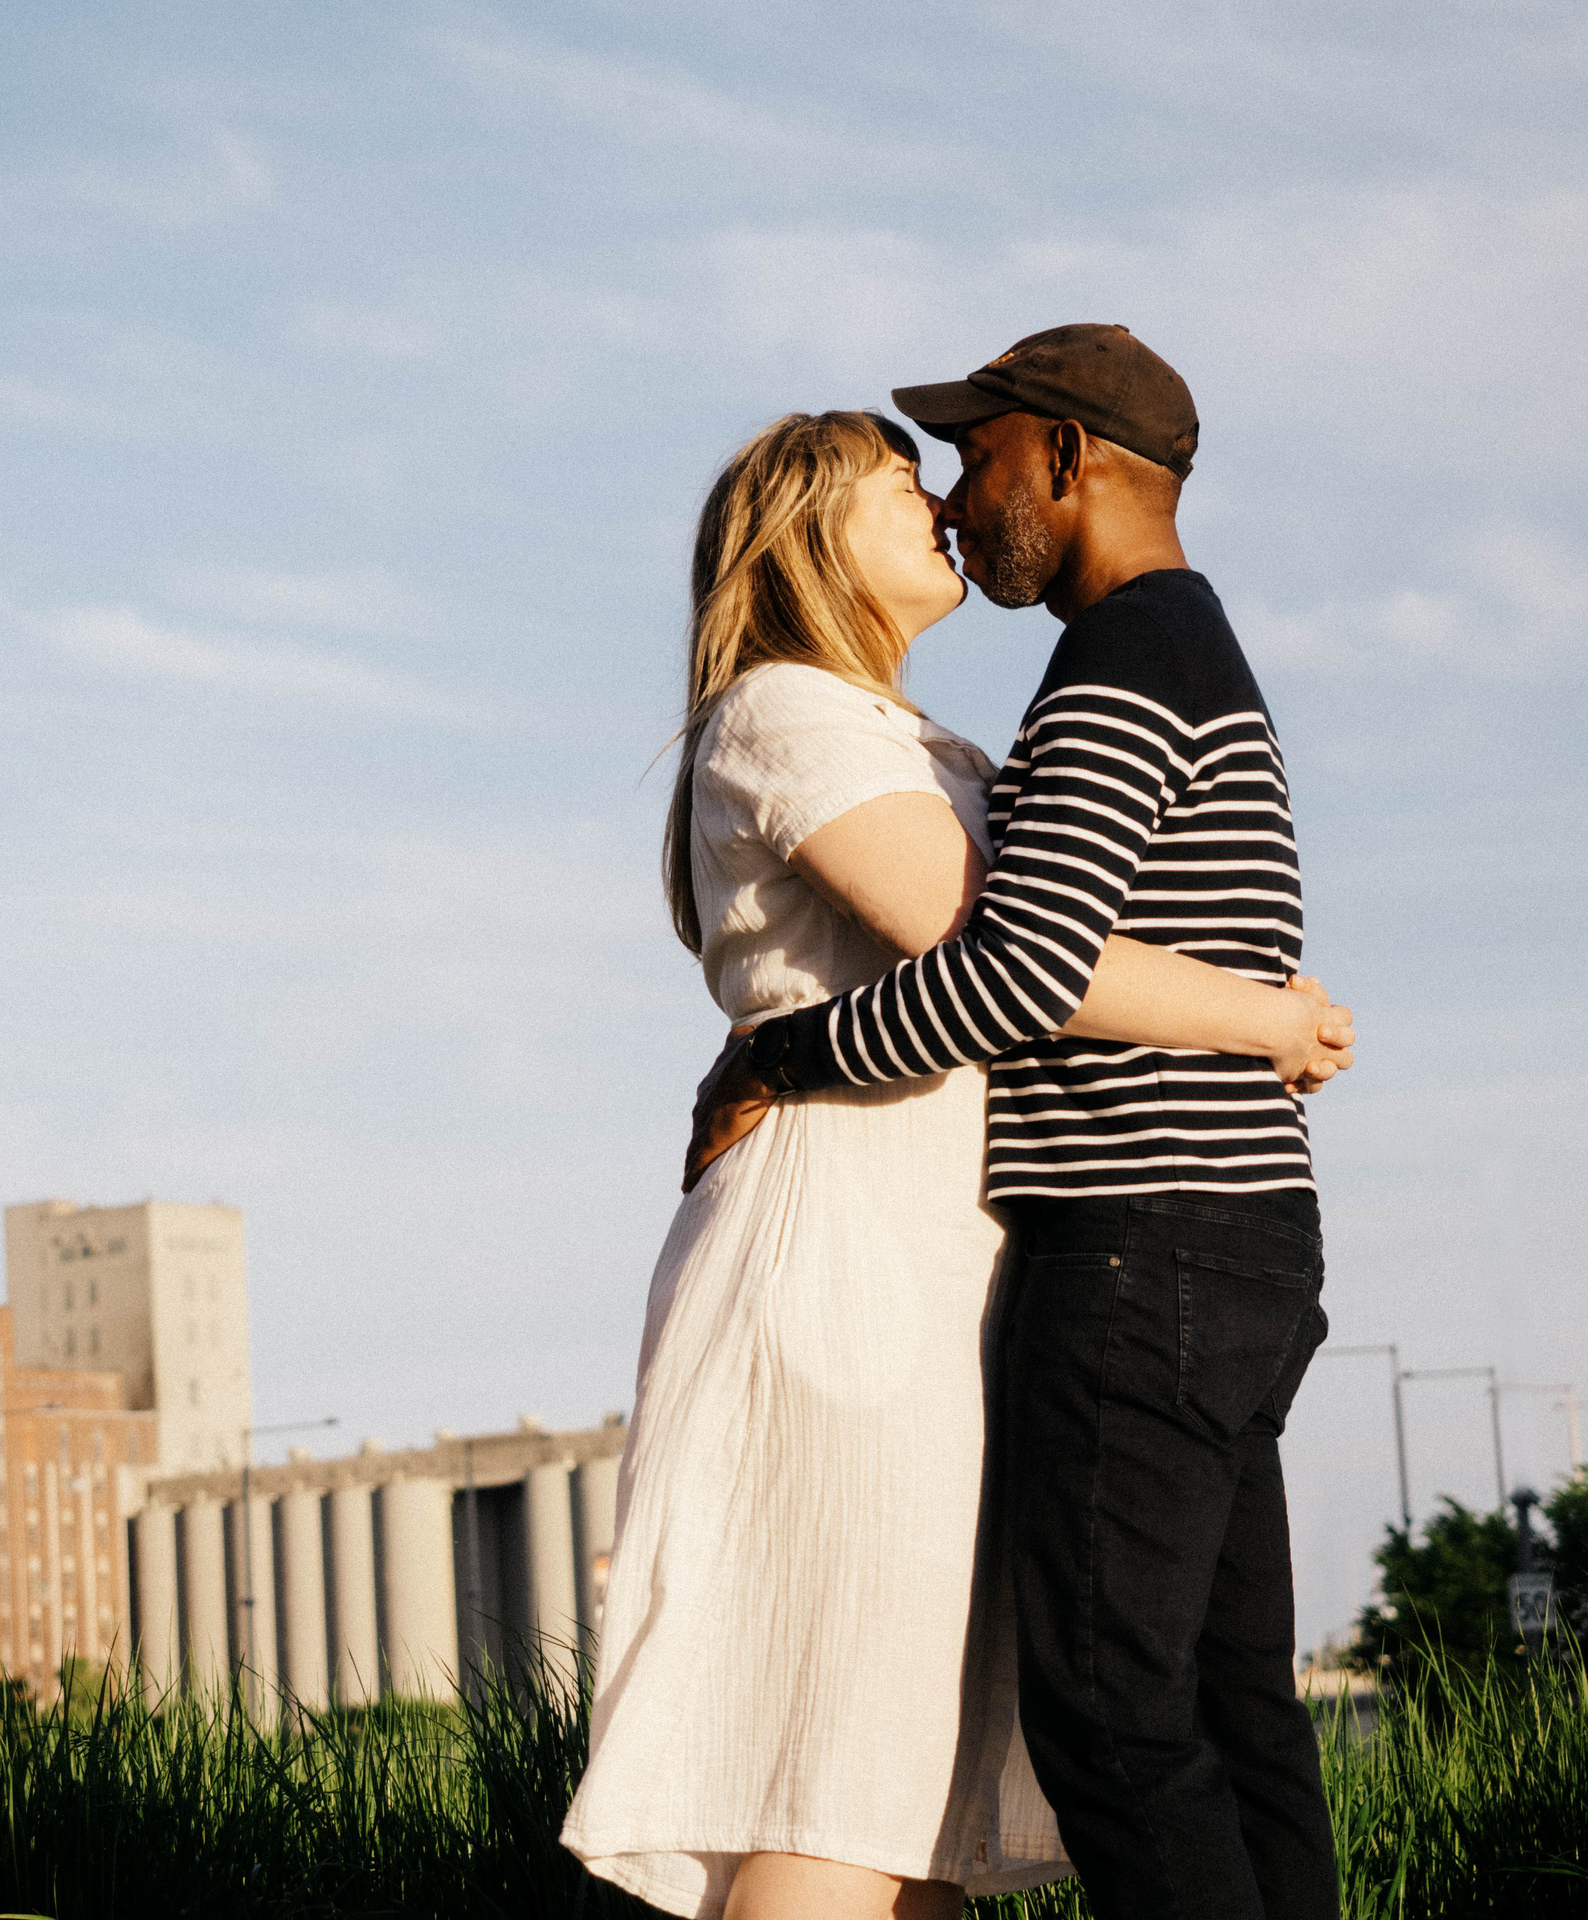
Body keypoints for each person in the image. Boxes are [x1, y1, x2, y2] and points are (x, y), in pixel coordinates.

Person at [561, 393, 1350, 1920]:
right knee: (836, 1757)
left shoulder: (919, 738)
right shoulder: (786, 710)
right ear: (801, 534)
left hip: (938, 1258)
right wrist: (1265, 1016)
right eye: (890, 482)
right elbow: (1008, 957)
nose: (936, 499)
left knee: (913, 1779)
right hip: (844, 1244)